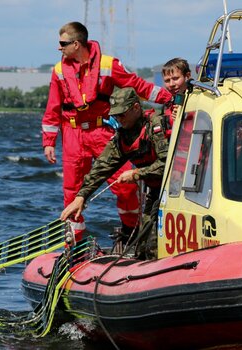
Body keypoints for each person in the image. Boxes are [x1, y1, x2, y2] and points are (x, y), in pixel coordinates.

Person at [42, 22, 172, 241]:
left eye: (62, 43)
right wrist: (49, 141)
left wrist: (170, 98)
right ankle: (75, 246)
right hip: (72, 135)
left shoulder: (108, 65)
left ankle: (131, 232)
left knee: (126, 186)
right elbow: (53, 107)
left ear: (76, 43)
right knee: (71, 192)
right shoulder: (58, 71)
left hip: (101, 131)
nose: (59, 48)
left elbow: (138, 85)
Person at [60, 87, 169, 259]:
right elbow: (102, 167)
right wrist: (81, 196)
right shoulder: (122, 136)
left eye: (122, 114)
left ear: (135, 108)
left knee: (153, 246)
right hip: (154, 191)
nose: (118, 119)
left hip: (173, 192)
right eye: (115, 116)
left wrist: (136, 174)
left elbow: (167, 165)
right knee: (142, 247)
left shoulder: (155, 126)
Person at [161, 57, 191, 135]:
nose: (171, 84)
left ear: (187, 76)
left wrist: (183, 120)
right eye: (167, 80)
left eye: (175, 78)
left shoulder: (197, 99)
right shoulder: (168, 104)